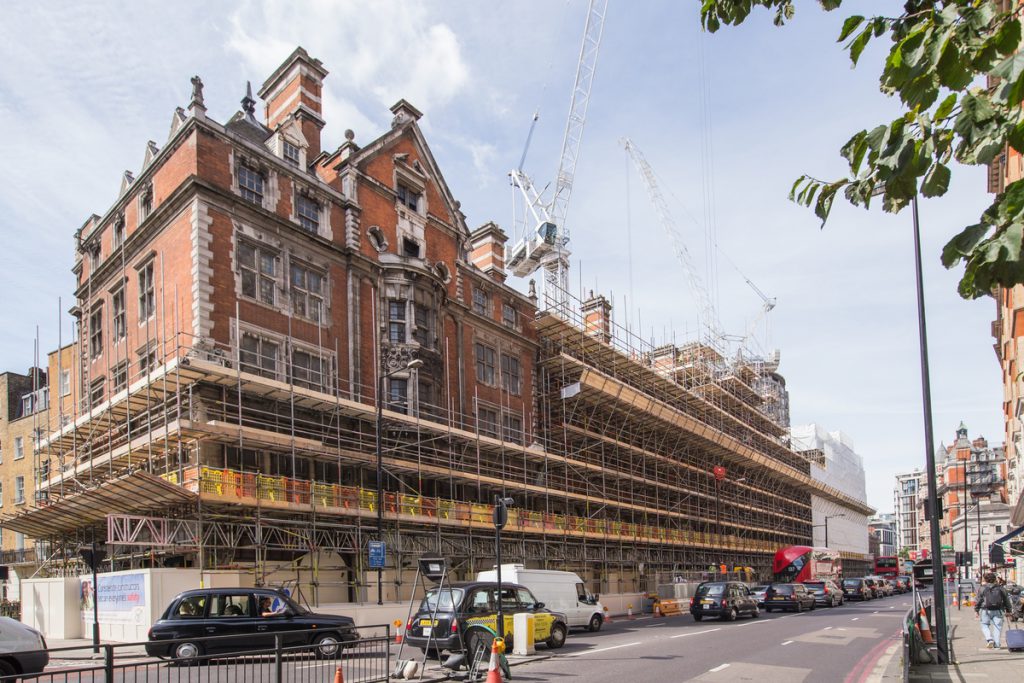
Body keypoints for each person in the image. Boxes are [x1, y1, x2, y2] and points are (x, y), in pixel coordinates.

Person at [975, 572, 1013, 649]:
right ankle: (997, 645)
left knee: (984, 625)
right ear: (995, 579)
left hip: (985, 610)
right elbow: (1006, 600)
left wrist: (976, 610)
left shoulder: (982, 588)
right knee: (997, 627)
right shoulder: (1001, 588)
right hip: (998, 610)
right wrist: (1009, 610)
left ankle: (989, 639)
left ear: (985, 580)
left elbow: (979, 600)